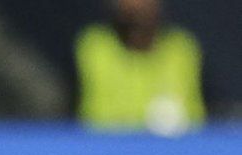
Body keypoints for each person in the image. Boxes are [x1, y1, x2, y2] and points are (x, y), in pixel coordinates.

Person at [75, 0, 205, 134]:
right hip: (108, 148)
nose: (138, 6)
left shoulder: (181, 48)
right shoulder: (96, 46)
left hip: (171, 148)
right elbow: (98, 117)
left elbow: (193, 117)